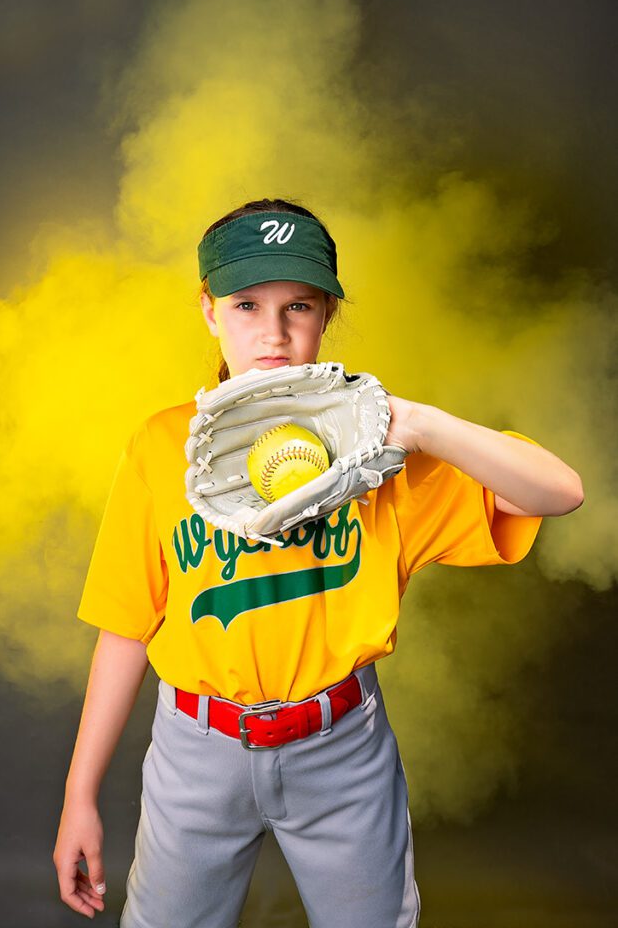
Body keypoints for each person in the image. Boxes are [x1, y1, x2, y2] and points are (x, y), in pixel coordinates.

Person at [53, 197, 583, 928]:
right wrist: (80, 794)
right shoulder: (159, 447)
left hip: (339, 749)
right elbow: (124, 627)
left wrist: (418, 424)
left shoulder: (381, 457)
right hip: (195, 748)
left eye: (297, 305)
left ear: (326, 313)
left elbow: (560, 492)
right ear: (208, 311)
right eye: (245, 305)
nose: (272, 333)